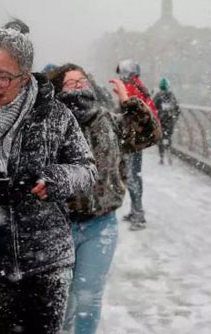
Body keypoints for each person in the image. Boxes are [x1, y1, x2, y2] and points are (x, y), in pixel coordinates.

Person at [0, 19, 97, 334]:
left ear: (24, 77)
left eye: (4, 76)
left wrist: (57, 179)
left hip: (47, 260)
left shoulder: (53, 114)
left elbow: (87, 169)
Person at [47, 63, 161, 334]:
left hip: (100, 225)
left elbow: (150, 135)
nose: (77, 85)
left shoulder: (108, 120)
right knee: (63, 299)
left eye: (81, 80)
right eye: (70, 82)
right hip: (59, 225)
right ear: (58, 89)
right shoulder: (51, 124)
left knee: (88, 295)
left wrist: (129, 104)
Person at [116, 59, 159, 231]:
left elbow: (134, 112)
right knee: (135, 176)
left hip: (133, 139)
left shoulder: (133, 87)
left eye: (121, 71)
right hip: (136, 139)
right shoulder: (138, 85)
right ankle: (135, 211)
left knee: (133, 177)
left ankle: (138, 215)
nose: (120, 75)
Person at [153, 77, 181, 165]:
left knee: (160, 139)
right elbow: (177, 109)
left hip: (160, 121)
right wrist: (175, 118)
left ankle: (161, 157)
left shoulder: (158, 96)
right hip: (170, 121)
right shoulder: (171, 95)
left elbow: (153, 108)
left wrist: (156, 118)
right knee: (168, 137)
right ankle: (169, 153)